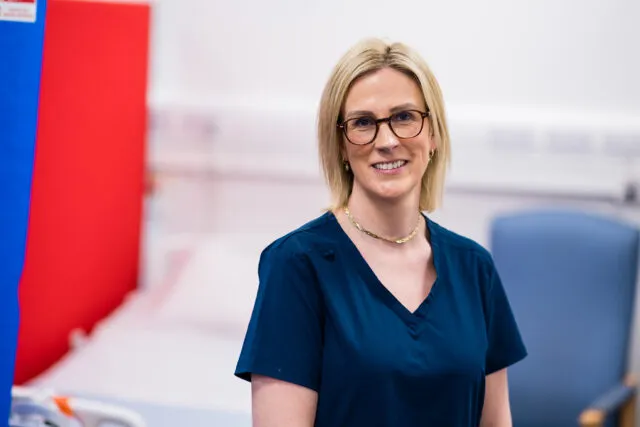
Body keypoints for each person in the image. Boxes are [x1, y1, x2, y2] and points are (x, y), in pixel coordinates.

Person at [234, 37, 527, 427]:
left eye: (404, 117)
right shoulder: (298, 265)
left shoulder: (474, 268)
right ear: (339, 143)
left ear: (434, 134)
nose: (386, 141)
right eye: (363, 123)